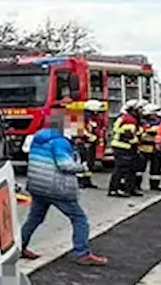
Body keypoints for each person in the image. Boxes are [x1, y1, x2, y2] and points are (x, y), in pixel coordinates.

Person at [21, 103, 107, 265]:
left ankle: (20, 247)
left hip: (37, 185)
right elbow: (64, 165)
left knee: (34, 218)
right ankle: (81, 252)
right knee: (79, 218)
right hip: (56, 187)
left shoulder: (38, 137)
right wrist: (82, 167)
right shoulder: (60, 142)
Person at [107, 100, 143, 197]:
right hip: (122, 147)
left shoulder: (132, 119)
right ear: (133, 110)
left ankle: (129, 188)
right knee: (121, 169)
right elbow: (124, 132)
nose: (141, 111)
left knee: (132, 169)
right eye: (138, 109)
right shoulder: (127, 119)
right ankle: (114, 189)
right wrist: (132, 138)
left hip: (129, 147)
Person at [75, 99, 102, 188]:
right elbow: (80, 130)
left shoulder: (94, 118)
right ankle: (80, 180)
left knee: (90, 163)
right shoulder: (83, 117)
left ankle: (87, 180)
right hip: (83, 143)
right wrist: (89, 137)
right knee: (83, 162)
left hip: (91, 143)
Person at [138, 104, 161, 192]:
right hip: (144, 148)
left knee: (156, 169)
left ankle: (155, 185)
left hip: (156, 148)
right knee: (140, 168)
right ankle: (137, 185)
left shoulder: (160, 121)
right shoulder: (142, 122)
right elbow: (142, 133)